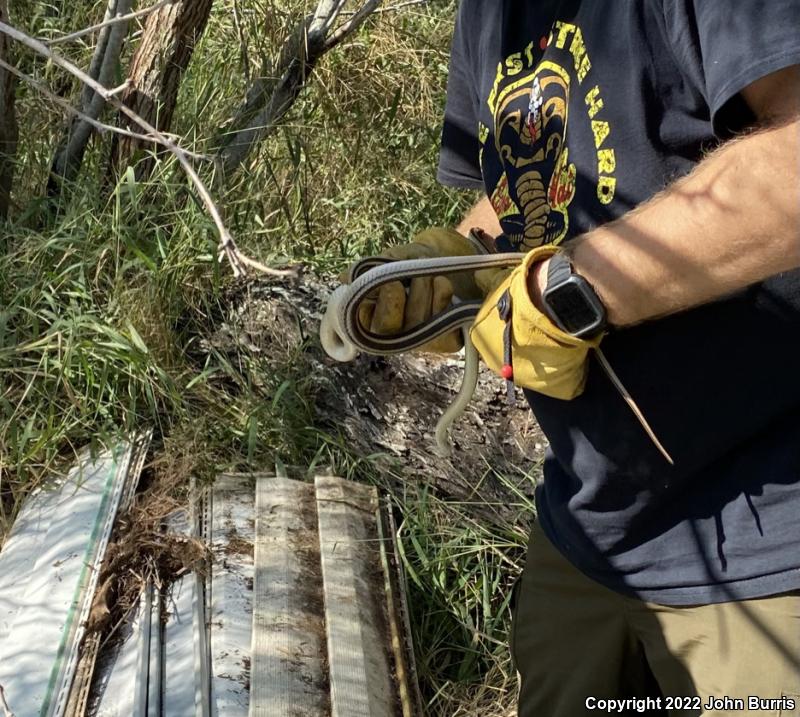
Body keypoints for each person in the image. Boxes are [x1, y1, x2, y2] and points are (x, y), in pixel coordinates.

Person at [362, 1, 800, 714]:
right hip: (585, 532)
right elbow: (522, 205)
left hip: (768, 543)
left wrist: (575, 290)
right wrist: (457, 266)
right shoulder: (488, 14)